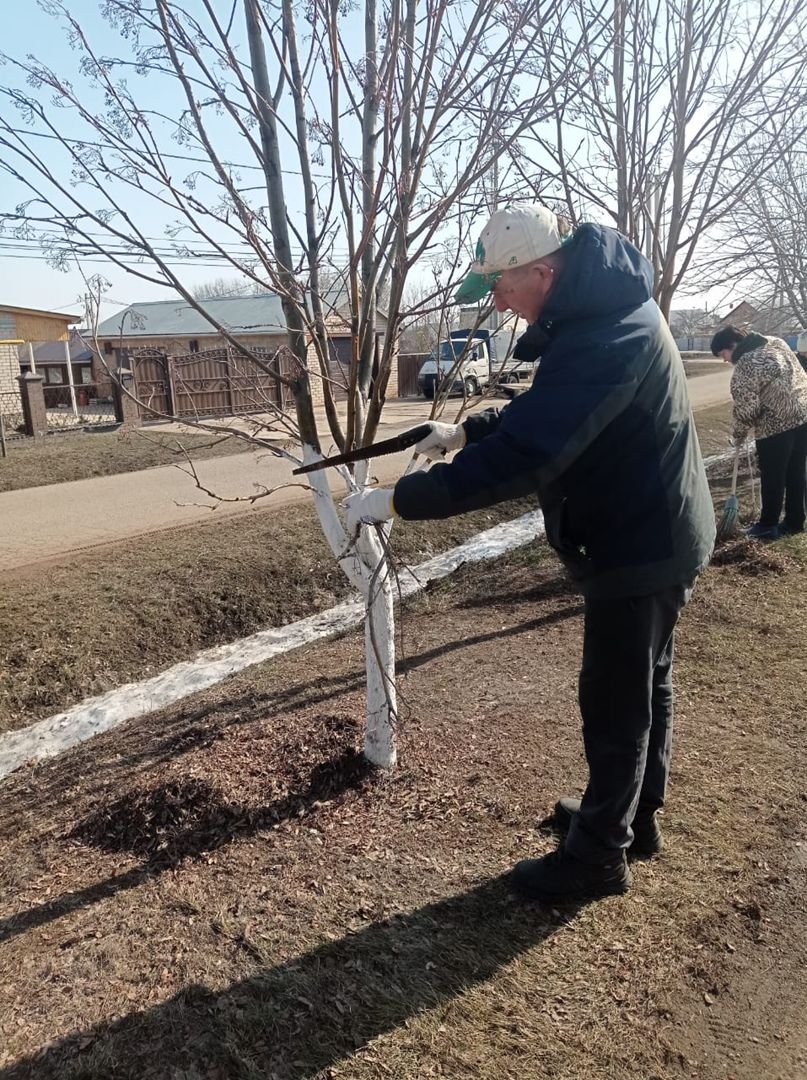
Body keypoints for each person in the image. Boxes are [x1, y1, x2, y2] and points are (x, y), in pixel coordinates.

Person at [343, 204, 715, 903]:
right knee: (644, 686)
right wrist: (464, 433)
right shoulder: (600, 313)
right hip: (654, 529)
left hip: (637, 543)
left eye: (501, 288)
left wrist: (399, 501)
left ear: (541, 272)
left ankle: (598, 858)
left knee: (615, 702)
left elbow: (535, 452)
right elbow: (550, 409)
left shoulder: (605, 334)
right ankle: (632, 818)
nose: (497, 304)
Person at [710, 324, 807, 539]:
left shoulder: (746, 363)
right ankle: (794, 521)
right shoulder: (776, 342)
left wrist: (737, 435)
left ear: (732, 345)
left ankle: (767, 525)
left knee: (773, 477)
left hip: (775, 426)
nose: (725, 360)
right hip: (803, 417)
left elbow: (747, 410)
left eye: (723, 354)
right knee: (796, 472)